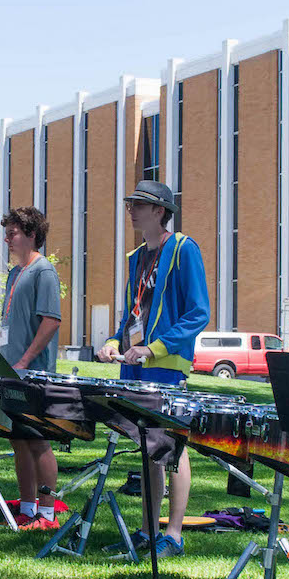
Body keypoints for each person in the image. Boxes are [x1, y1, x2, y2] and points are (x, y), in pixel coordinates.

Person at [96, 180, 210, 558]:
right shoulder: (136, 257)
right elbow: (134, 313)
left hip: (165, 365)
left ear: (160, 211)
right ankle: (146, 532)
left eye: (139, 204)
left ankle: (173, 535)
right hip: (135, 363)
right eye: (130, 202)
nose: (131, 209)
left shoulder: (183, 249)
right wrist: (115, 342)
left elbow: (198, 313)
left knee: (172, 449)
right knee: (147, 449)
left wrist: (154, 349)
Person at [0, 206, 63, 530]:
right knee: (17, 440)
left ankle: (48, 513)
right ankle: (26, 507)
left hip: (34, 375)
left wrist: (24, 361)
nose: (7, 239)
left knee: (38, 441)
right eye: (6, 232)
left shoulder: (44, 272)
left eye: (13, 233)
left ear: (32, 235)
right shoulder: (14, 273)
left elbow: (51, 321)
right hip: (10, 374)